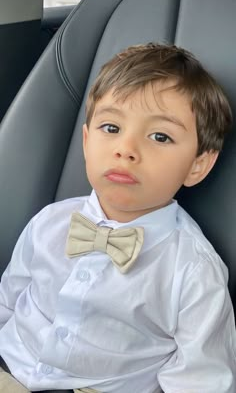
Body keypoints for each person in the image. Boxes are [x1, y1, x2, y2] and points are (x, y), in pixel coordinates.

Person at [0, 43, 235, 393]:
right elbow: (8, 300)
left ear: (198, 164)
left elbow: (202, 381)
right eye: (111, 128)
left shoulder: (193, 270)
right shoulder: (48, 222)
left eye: (160, 136)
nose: (126, 149)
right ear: (85, 141)